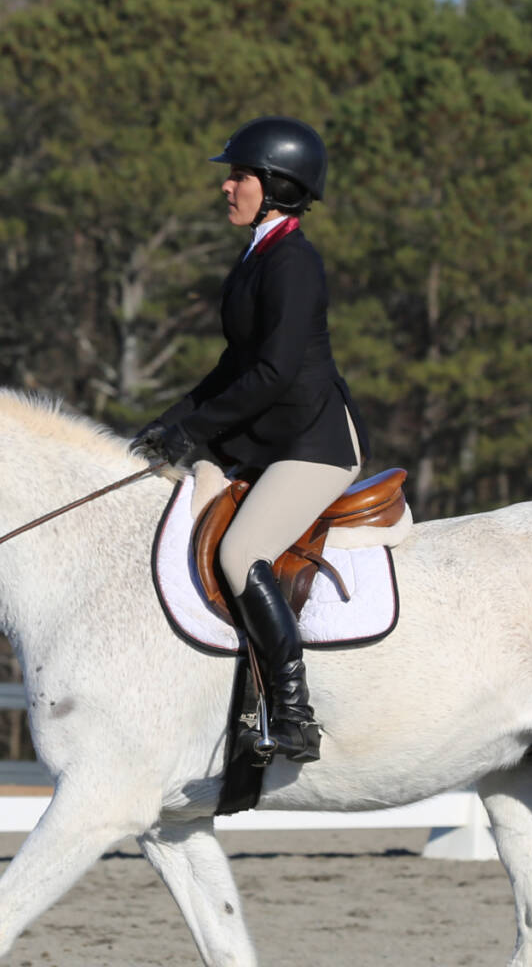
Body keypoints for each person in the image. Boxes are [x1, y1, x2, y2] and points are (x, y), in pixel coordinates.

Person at [131, 117, 367, 765]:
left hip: (313, 441)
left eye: (238, 176)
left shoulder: (293, 262)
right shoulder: (257, 254)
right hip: (273, 434)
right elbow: (235, 367)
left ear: (276, 185)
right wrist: (168, 423)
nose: (226, 187)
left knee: (240, 553)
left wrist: (195, 430)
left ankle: (293, 713)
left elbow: (274, 372)